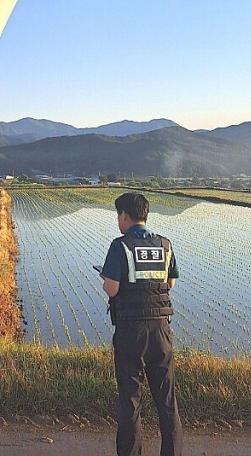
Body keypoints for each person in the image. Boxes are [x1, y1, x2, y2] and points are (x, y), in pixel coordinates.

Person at [100, 192, 182, 456]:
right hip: (161, 331)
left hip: (131, 331)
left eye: (118, 216)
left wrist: (106, 279)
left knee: (131, 400)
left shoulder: (120, 245)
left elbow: (112, 289)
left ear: (124, 215)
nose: (118, 221)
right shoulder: (165, 245)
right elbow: (170, 283)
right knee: (167, 401)